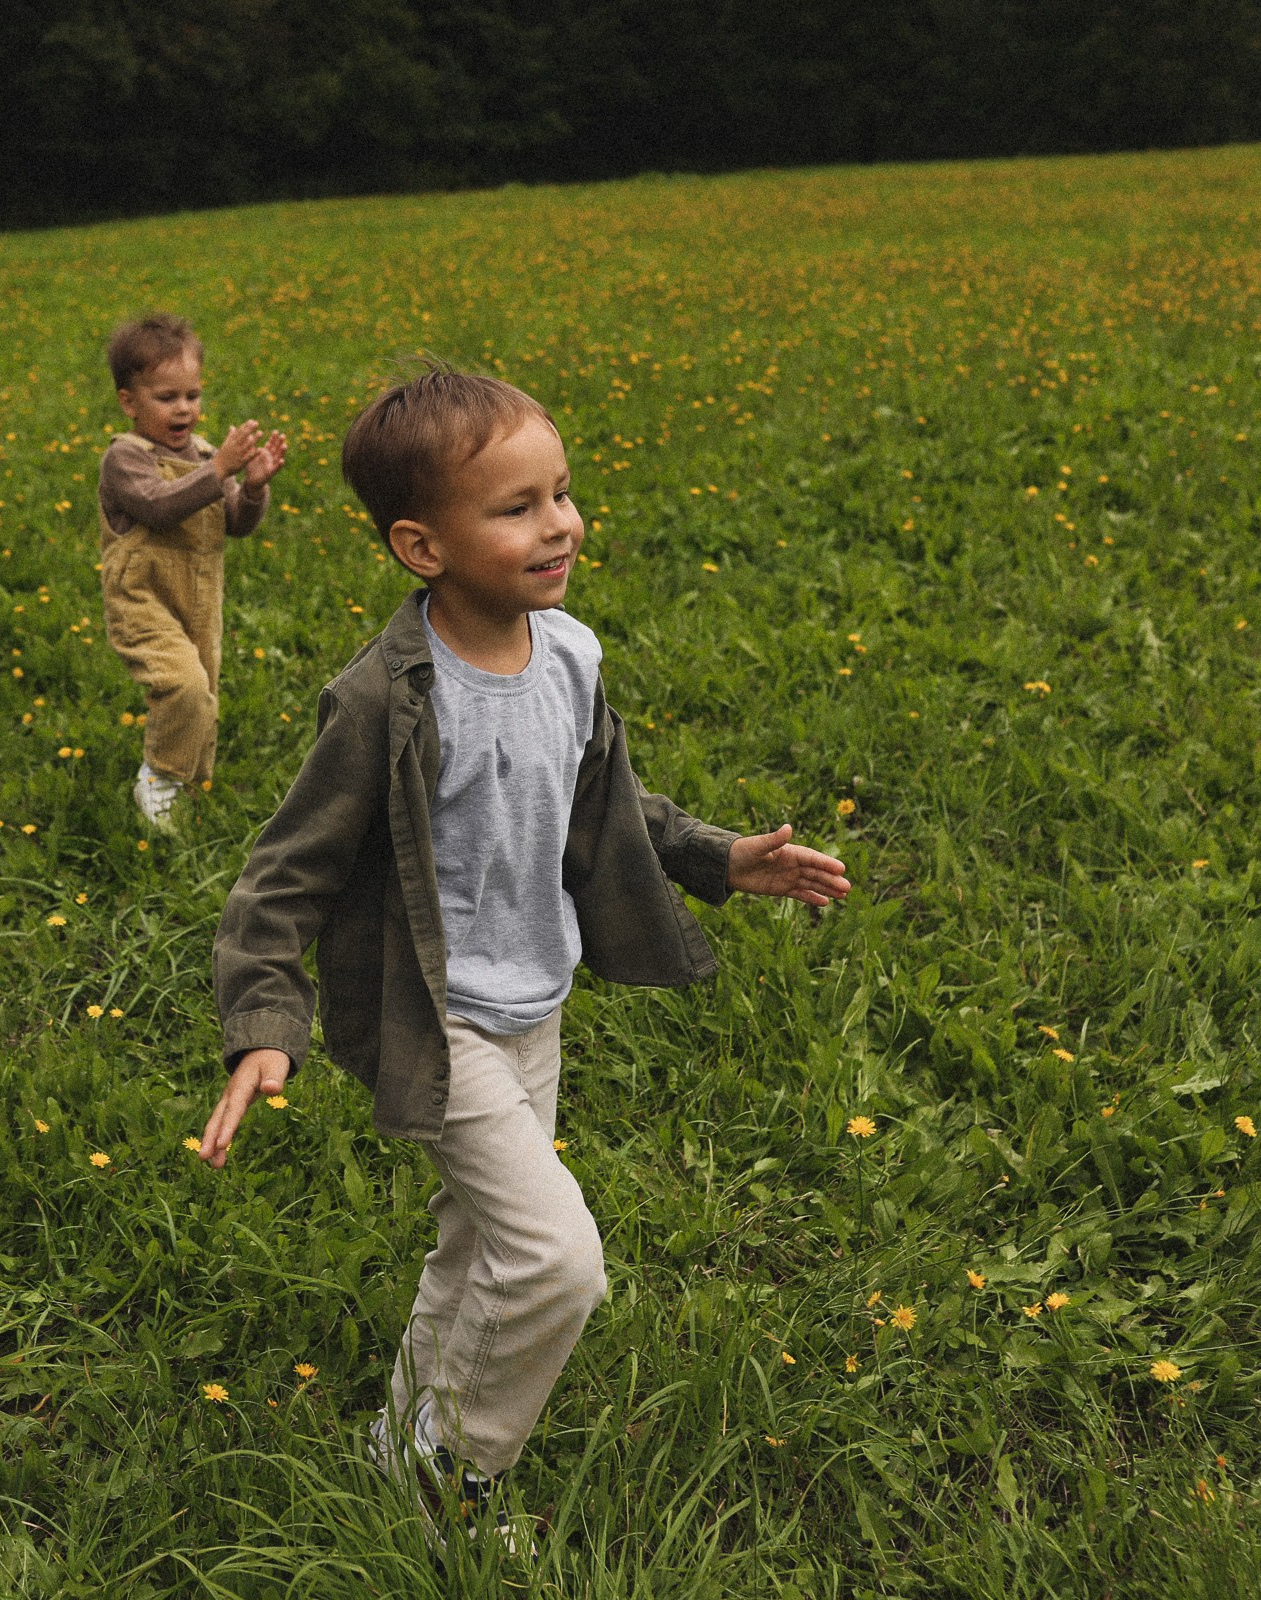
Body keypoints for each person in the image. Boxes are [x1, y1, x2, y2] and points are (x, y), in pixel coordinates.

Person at [199, 365, 850, 1547]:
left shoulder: (569, 657)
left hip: (531, 1000)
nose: (560, 523)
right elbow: (283, 873)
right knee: (557, 1260)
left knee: (478, 1245)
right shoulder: (385, 699)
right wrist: (262, 1027)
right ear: (421, 546)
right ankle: (460, 1482)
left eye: (562, 493)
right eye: (516, 507)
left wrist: (717, 856)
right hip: (435, 1013)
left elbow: (600, 802)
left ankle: (400, 1450)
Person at [97, 313, 287, 828]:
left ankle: (188, 784)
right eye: (167, 397)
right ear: (129, 401)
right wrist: (219, 469)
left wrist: (251, 487)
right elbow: (159, 506)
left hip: (200, 598)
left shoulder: (205, 455)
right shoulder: (126, 459)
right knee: (181, 685)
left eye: (193, 394)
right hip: (143, 598)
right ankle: (159, 777)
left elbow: (235, 524)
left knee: (203, 691)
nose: (184, 408)